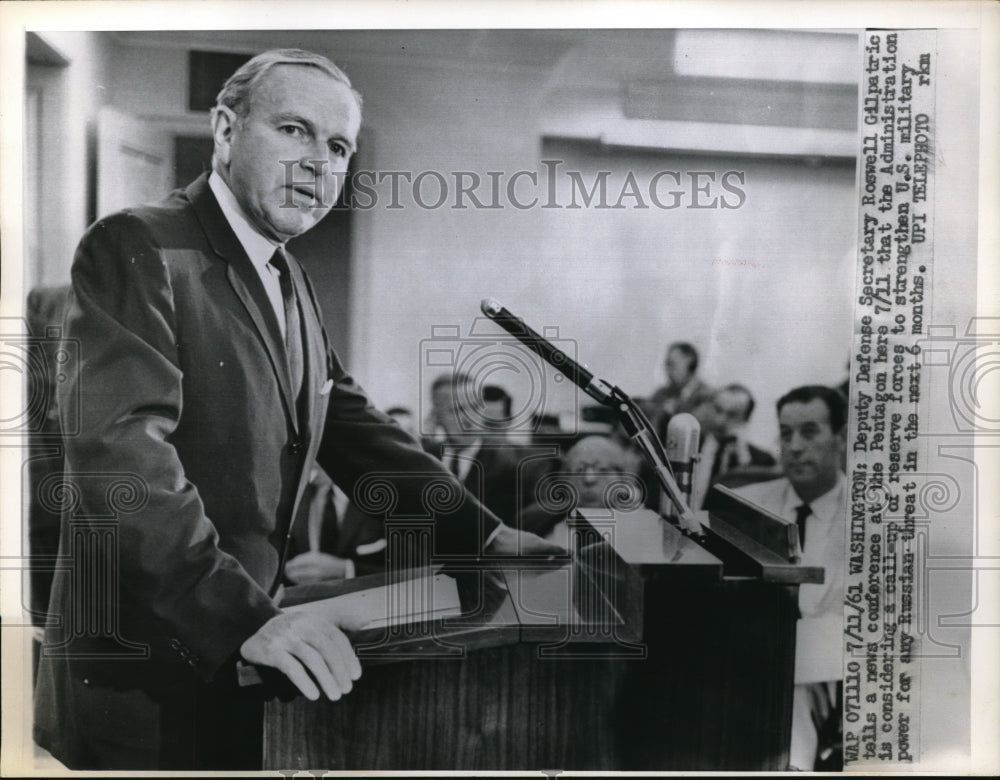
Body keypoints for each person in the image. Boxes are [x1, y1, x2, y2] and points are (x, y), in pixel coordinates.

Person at [34, 48, 560, 771]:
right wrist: (241, 618)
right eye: (294, 130)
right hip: (150, 667)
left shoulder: (286, 274)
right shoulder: (138, 244)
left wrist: (478, 532)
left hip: (243, 653)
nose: (320, 162)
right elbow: (121, 456)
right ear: (225, 128)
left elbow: (344, 420)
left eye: (338, 146)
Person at [733, 385, 847, 771]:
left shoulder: (873, 516)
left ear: (841, 438)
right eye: (785, 433)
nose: (795, 446)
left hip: (834, 670)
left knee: (795, 669)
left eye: (810, 432)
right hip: (755, 657)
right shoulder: (747, 503)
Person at [422, 373, 553, 527]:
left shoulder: (522, 463)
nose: (468, 419)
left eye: (475, 407)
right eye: (457, 410)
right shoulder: (422, 458)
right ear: (436, 415)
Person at [519, 435, 642, 543]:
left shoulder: (643, 529)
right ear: (564, 479)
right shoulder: (534, 524)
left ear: (623, 479)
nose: (589, 479)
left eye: (602, 470)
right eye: (579, 470)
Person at [689, 383, 777, 508]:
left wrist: (743, 458)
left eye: (732, 415)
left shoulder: (761, 461)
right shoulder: (691, 444)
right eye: (718, 410)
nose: (720, 420)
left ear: (746, 419)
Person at [648, 342, 714, 423]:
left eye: (672, 364)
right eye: (667, 364)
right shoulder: (660, 394)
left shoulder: (708, 396)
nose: (667, 370)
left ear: (689, 362)